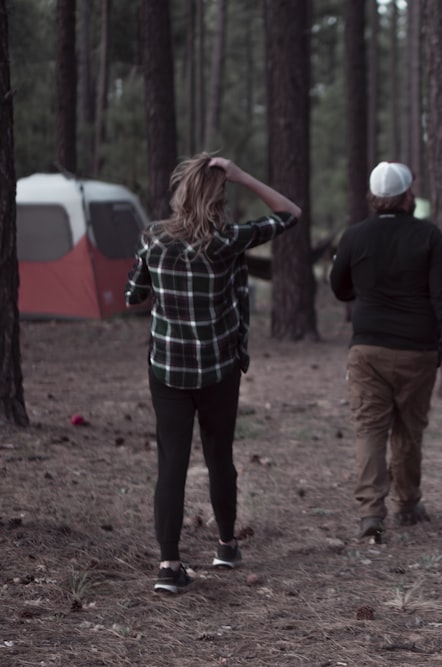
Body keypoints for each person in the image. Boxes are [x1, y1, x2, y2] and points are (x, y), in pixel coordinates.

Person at [124, 154, 301, 593]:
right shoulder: (229, 240)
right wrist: (241, 175)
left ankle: (169, 565)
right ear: (220, 198)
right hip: (219, 368)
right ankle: (225, 545)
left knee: (172, 463)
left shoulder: (153, 238)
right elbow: (290, 213)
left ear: (181, 193)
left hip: (167, 368)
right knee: (219, 455)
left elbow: (133, 296)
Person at [329, 161, 442, 542]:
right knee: (409, 429)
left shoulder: (355, 236)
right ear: (408, 196)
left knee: (370, 430)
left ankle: (371, 514)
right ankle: (407, 504)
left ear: (373, 198)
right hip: (417, 352)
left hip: (368, 350)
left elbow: (339, 288)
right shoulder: (428, 235)